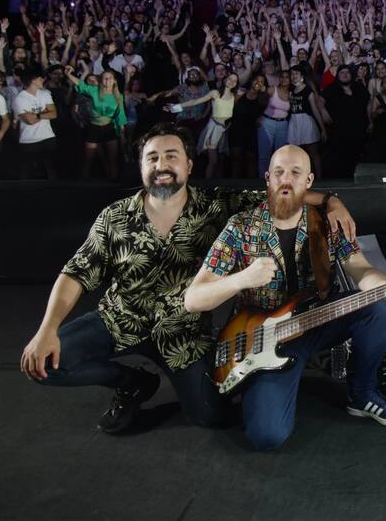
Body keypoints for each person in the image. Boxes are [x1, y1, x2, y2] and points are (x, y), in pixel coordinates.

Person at [20, 123, 356, 435]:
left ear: (189, 166)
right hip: (119, 320)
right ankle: (129, 383)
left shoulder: (216, 205)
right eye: (152, 157)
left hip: (184, 333)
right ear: (141, 166)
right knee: (42, 363)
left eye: (171, 156)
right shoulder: (114, 217)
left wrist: (331, 201)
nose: (161, 164)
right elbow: (75, 273)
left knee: (211, 417)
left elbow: (282, 194)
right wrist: (47, 329)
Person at [184, 144, 386, 451]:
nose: (286, 180)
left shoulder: (326, 223)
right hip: (266, 339)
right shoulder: (240, 228)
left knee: (380, 307)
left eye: (295, 173)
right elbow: (193, 299)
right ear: (267, 178)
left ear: (309, 181)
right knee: (267, 437)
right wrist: (241, 279)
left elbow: (360, 268)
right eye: (278, 172)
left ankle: (362, 394)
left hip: (319, 320)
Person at [65, 66, 126, 180]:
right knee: (89, 160)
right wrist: (69, 74)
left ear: (114, 81)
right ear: (101, 80)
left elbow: (120, 115)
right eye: (104, 78)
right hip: (94, 128)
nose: (107, 81)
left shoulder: (118, 96)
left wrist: (122, 134)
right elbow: (80, 84)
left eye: (109, 78)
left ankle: (114, 188)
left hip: (109, 128)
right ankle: (84, 187)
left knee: (113, 160)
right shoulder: (94, 91)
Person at [12, 68, 58, 179]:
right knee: (28, 170)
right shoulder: (19, 99)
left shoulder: (45, 94)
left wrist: (36, 115)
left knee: (50, 167)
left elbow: (54, 114)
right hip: (29, 140)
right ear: (33, 80)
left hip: (48, 137)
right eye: (40, 78)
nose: (43, 80)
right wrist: (44, 112)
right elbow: (30, 121)